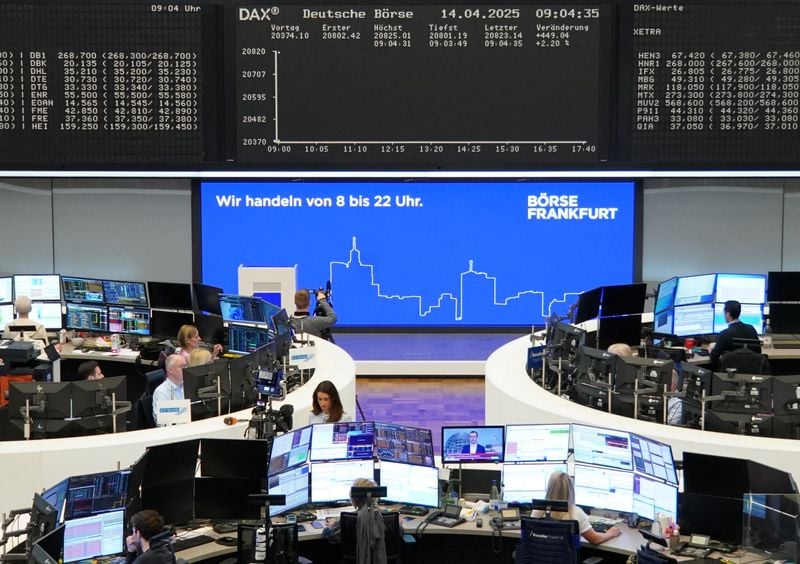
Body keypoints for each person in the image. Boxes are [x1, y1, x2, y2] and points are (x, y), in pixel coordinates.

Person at [532, 471, 622, 545]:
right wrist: (610, 534)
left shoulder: (537, 511)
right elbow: (595, 539)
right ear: (571, 490)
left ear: (549, 488)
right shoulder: (576, 513)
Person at [709, 300, 761, 364]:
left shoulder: (724, 334)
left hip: (729, 369)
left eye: (724, 313)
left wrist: (710, 350)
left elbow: (713, 358)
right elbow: (758, 353)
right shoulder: (751, 329)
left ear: (728, 314)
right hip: (750, 369)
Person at [152, 354, 186, 423]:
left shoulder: (186, 386)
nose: (185, 369)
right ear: (170, 370)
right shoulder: (161, 391)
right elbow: (164, 421)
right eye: (182, 366)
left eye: (186, 366)